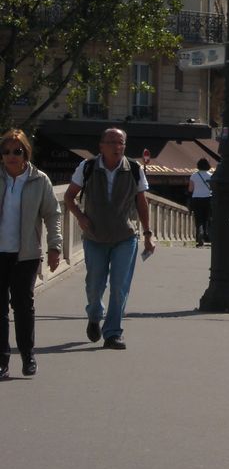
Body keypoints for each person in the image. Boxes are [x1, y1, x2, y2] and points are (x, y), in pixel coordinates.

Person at [64, 127, 154, 350]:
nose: (117, 147)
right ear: (101, 146)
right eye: (112, 142)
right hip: (95, 236)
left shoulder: (133, 168)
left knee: (119, 286)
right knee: (95, 285)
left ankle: (113, 333)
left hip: (125, 236)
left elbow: (142, 202)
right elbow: (69, 197)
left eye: (121, 142)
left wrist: (148, 233)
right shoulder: (88, 167)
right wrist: (80, 217)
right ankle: (94, 315)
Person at [0, 129, 62, 378]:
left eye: (17, 151)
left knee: (23, 306)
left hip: (26, 254)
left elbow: (53, 213)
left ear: (26, 153)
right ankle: (2, 360)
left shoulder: (39, 180)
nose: (11, 156)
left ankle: (28, 356)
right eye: (6, 152)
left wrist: (55, 246)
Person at [188, 157, 213, 247]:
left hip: (196, 198)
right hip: (207, 198)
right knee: (206, 218)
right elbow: (212, 188)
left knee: (198, 219)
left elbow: (190, 189)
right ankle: (205, 232)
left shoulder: (194, 176)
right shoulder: (210, 176)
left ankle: (199, 233)